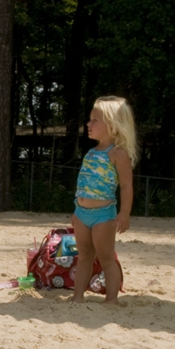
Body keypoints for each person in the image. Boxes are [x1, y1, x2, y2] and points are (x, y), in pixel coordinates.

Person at [72, 96, 138, 305]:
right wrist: (75, 210)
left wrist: (125, 212)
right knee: (83, 257)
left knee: (106, 258)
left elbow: (127, 186)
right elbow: (84, 184)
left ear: (113, 125)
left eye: (94, 120)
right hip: (81, 214)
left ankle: (112, 300)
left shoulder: (118, 154)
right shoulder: (91, 153)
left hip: (103, 215)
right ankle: (77, 297)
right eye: (90, 120)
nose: (88, 124)